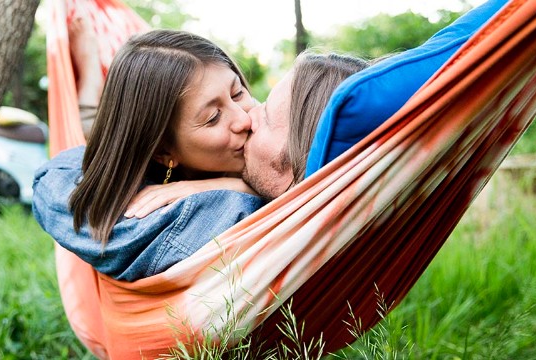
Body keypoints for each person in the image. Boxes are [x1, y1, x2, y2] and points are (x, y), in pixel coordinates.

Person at [33, 23, 368, 281]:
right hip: (123, 150)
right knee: (91, 130)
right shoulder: (150, 204)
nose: (245, 120)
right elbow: (58, 180)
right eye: (213, 117)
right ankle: (91, 67)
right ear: (165, 154)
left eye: (238, 93)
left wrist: (236, 186)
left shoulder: (265, 157)